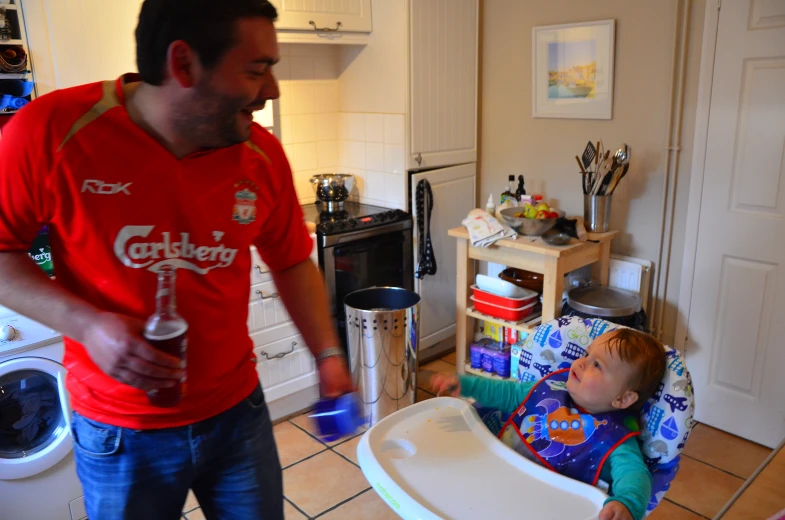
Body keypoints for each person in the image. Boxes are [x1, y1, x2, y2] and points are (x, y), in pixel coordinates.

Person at [0, 1, 353, 519]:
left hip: (238, 414)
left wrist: (328, 357)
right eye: (257, 70)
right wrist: (89, 325)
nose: (272, 90)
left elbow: (293, 261)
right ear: (183, 64)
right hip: (122, 431)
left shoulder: (260, 155)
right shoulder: (51, 131)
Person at [431, 328, 667, 520]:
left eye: (597, 365)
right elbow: (507, 393)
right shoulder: (551, 387)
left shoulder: (615, 438)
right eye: (587, 355)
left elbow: (635, 475)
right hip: (499, 484)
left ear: (623, 399)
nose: (581, 363)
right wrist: (467, 386)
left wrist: (627, 503)